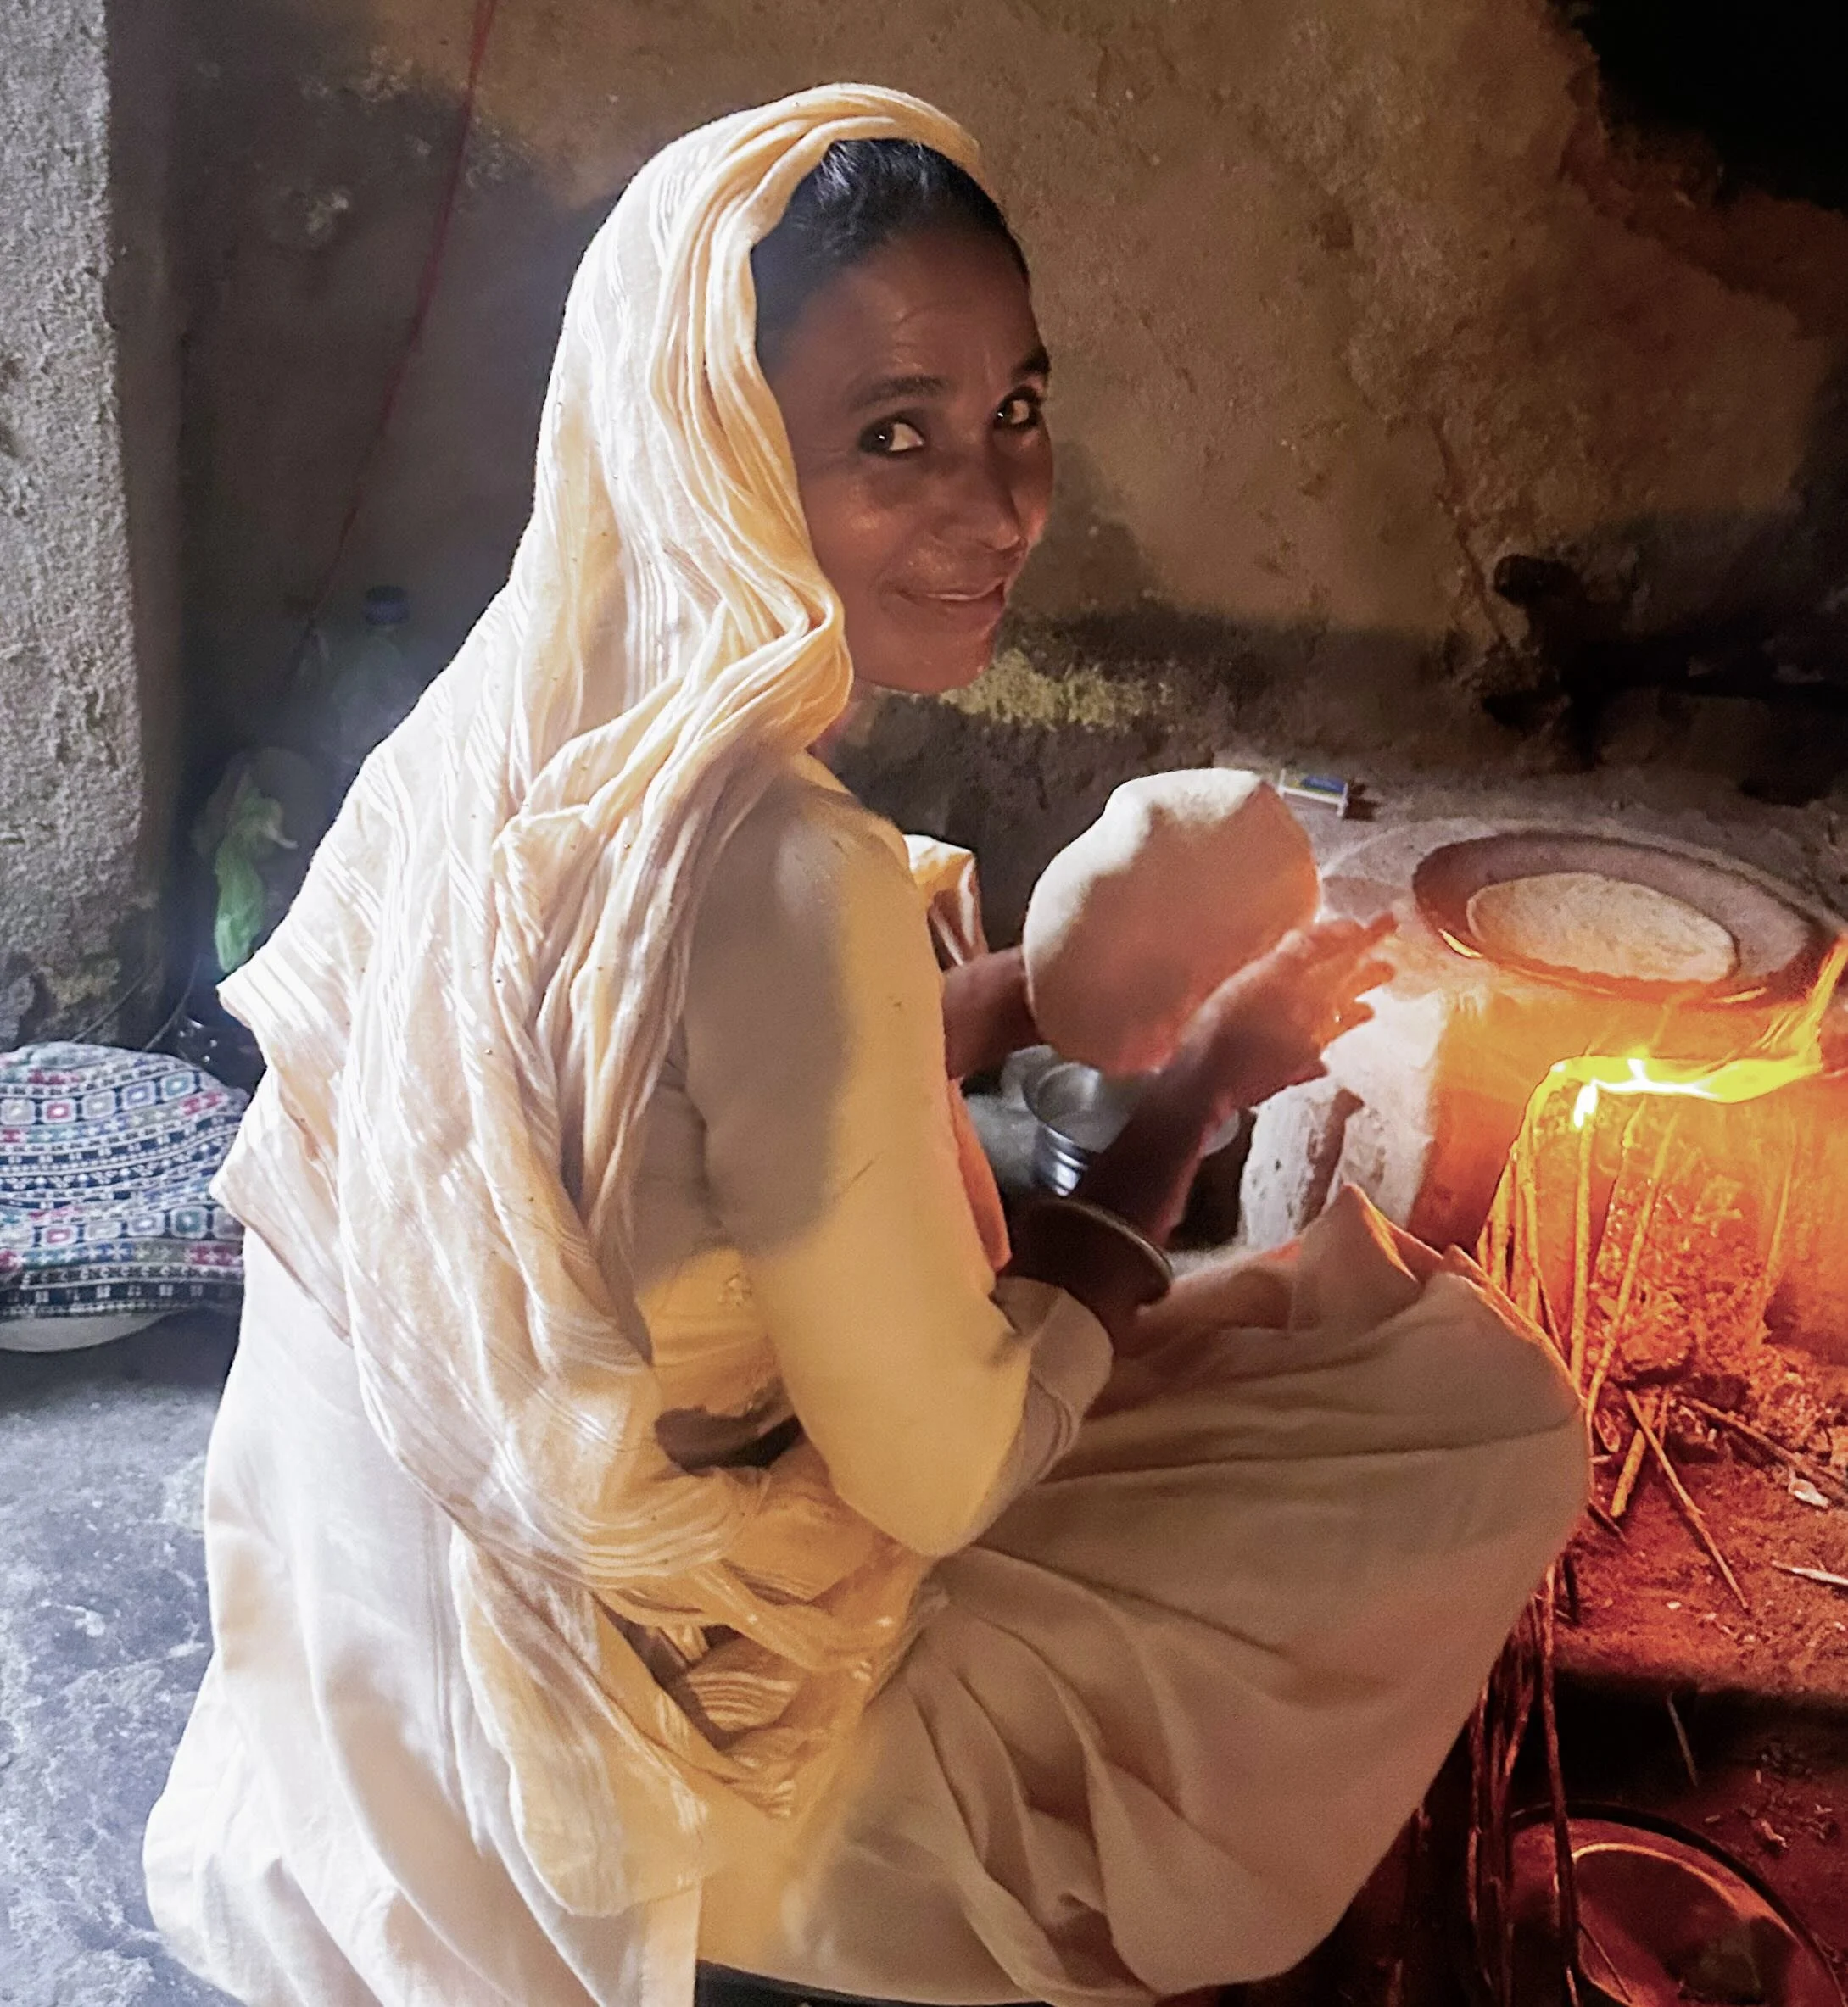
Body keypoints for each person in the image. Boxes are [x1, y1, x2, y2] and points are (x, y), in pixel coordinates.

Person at [144, 86, 1587, 2007]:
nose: (995, 506)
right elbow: (944, 1477)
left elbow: (695, 1067)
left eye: (1015, 410)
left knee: (1206, 1316)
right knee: (1467, 1413)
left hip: (370, 1690)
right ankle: (828, 1933)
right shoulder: (790, 871)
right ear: (720, 450)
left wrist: (1033, 1002)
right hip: (624, 1776)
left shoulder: (504, 725)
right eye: (889, 436)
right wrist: (1198, 1097)